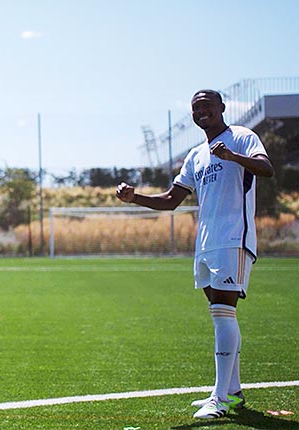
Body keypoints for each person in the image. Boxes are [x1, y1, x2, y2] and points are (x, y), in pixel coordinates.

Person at [116, 89, 274, 420]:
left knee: (223, 310)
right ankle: (233, 392)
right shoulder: (195, 155)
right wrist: (135, 198)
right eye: (195, 108)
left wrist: (233, 157)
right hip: (206, 243)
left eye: (207, 106)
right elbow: (172, 200)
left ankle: (219, 397)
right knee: (220, 314)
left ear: (221, 108)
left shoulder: (242, 137)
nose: (201, 111)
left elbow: (266, 168)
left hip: (233, 237)